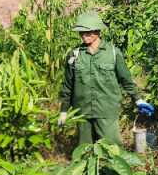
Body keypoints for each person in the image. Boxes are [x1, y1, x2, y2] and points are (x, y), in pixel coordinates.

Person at [58, 12, 152, 147]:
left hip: (106, 110)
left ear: (97, 31)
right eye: (81, 33)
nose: (84, 36)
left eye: (88, 32)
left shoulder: (113, 53)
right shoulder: (74, 55)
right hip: (82, 111)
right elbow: (67, 85)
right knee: (84, 151)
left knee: (112, 149)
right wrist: (64, 111)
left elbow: (126, 80)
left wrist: (138, 99)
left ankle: (111, 169)